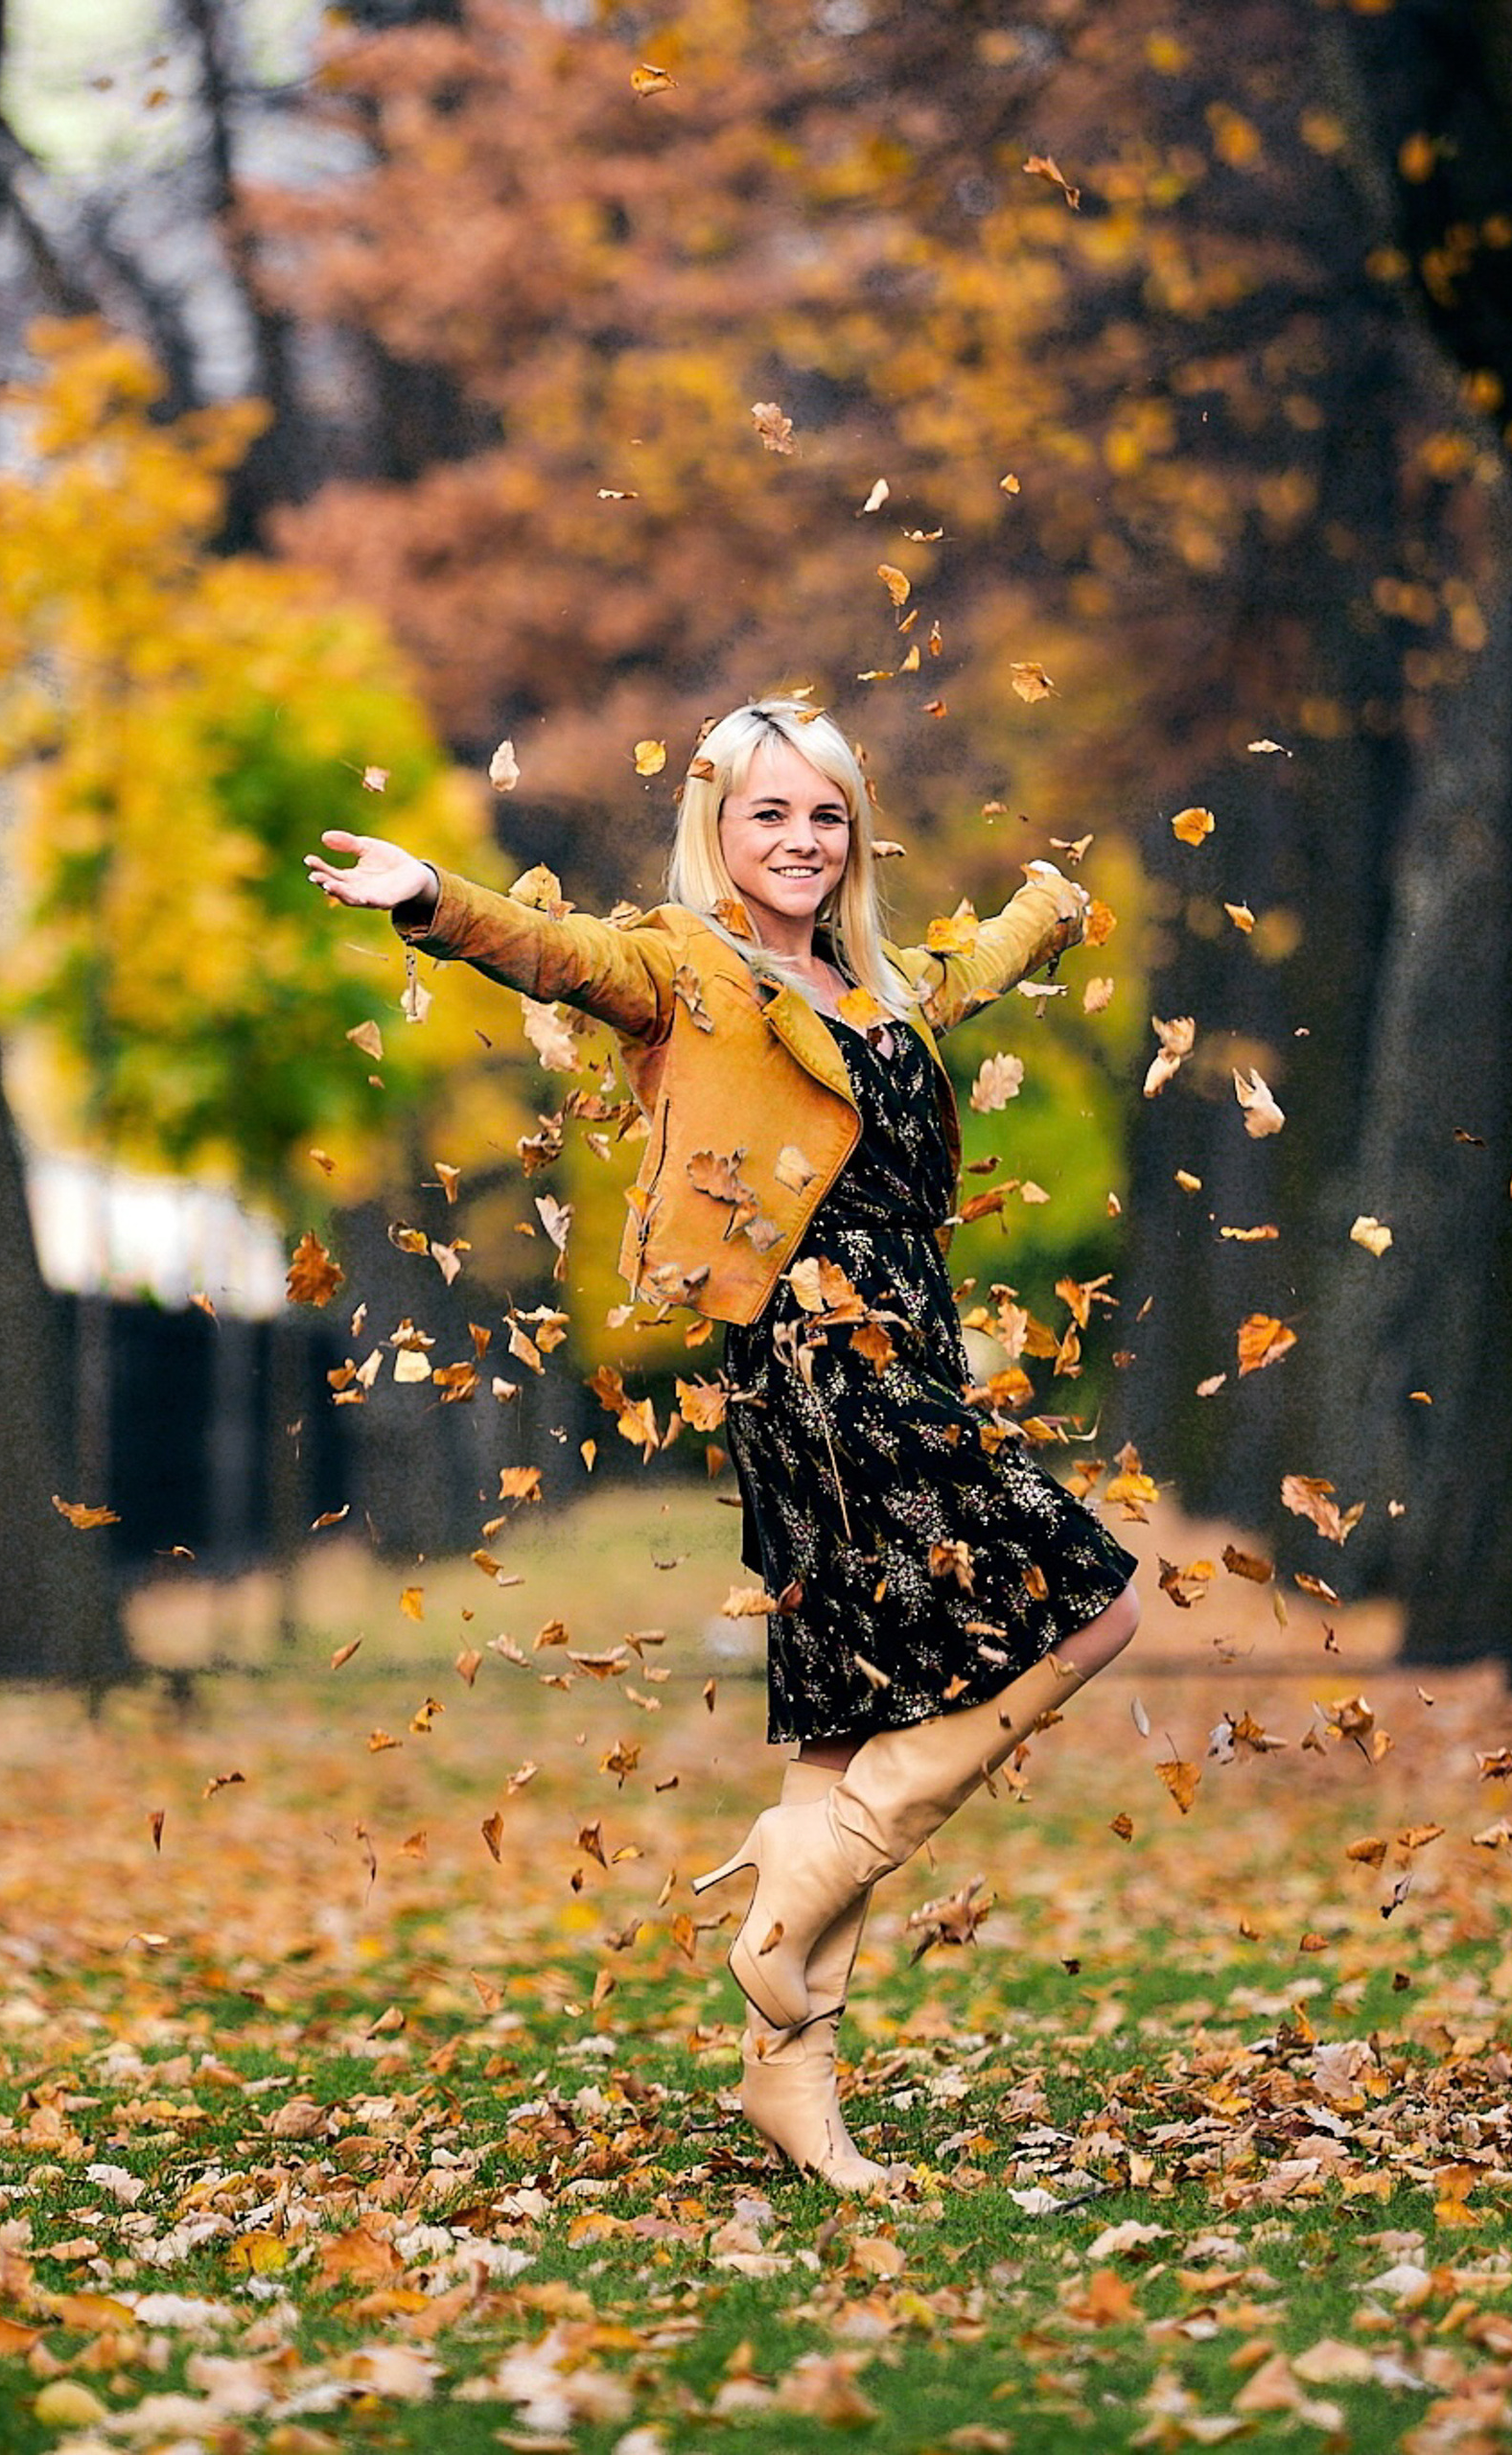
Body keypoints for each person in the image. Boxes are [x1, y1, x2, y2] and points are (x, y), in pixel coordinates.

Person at [308, 699, 1141, 2190]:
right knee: (1103, 1600)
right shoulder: (692, 969)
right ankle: (817, 1863)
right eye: (771, 814)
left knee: (842, 1706)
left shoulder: (874, 980)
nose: (801, 841)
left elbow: (971, 968)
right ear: (718, 827)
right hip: (816, 1352)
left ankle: (789, 2076)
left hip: (912, 1335)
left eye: (825, 815)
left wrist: (1052, 909)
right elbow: (568, 955)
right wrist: (431, 898)